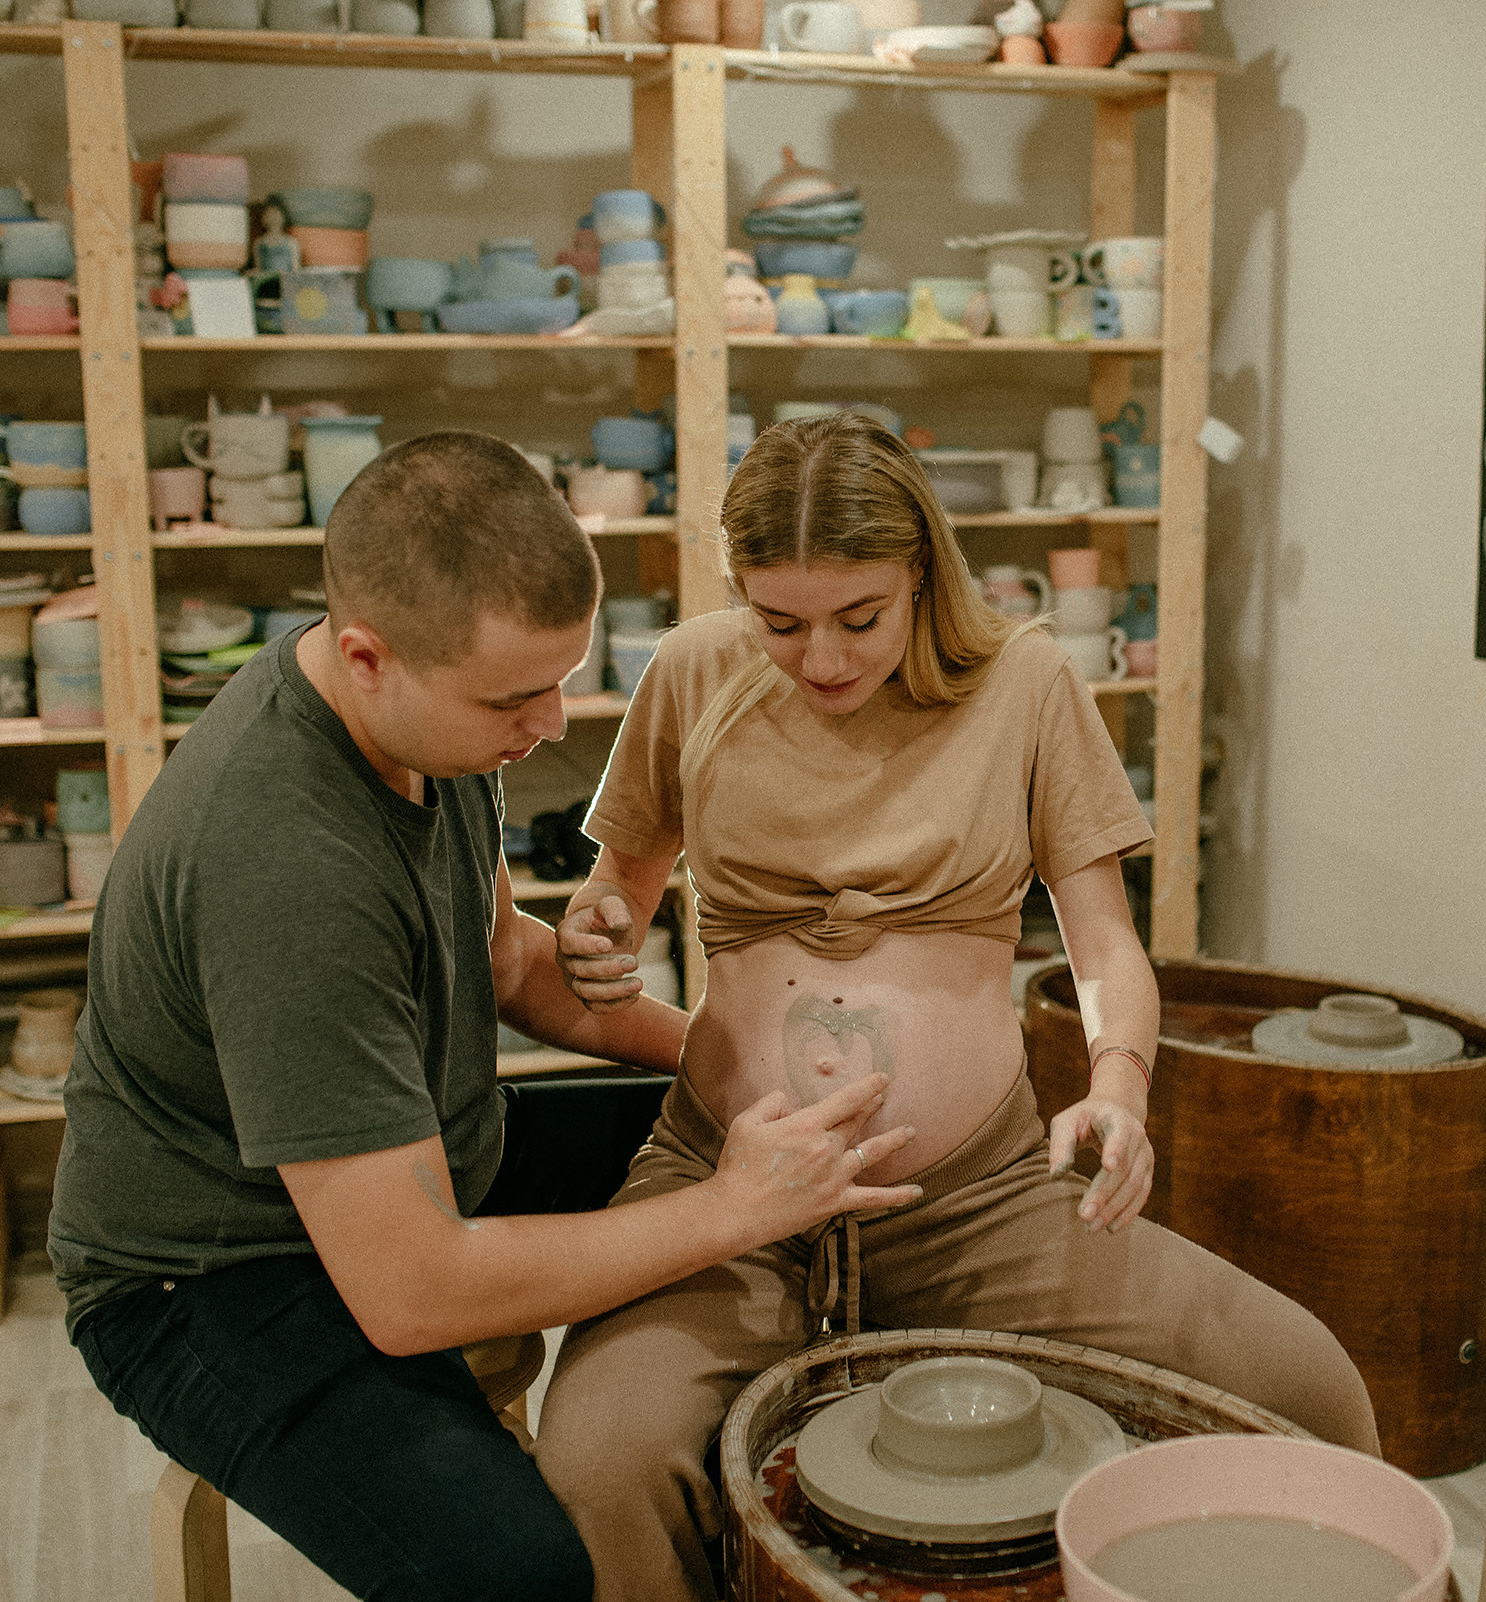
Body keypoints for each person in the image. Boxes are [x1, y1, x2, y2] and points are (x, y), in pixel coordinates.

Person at [47, 430, 920, 1602]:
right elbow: (414, 1295)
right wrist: (730, 1208)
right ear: (368, 657)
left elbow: (508, 958)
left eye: (564, 677)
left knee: (793, 1155)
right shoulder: (285, 861)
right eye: (518, 696)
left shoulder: (428, 712)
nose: (554, 722)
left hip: (422, 1157)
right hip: (216, 1271)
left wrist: (739, 1065)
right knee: (522, 1574)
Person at [539, 412, 1379, 1602]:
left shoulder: (1024, 680)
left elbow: (1104, 943)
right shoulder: (690, 672)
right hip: (729, 1191)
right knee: (597, 1459)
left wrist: (1120, 1088)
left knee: (1306, 1385)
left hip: (975, 1197)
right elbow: (617, 889)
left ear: (922, 574)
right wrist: (601, 928)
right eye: (779, 622)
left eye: (859, 619)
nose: (820, 657)